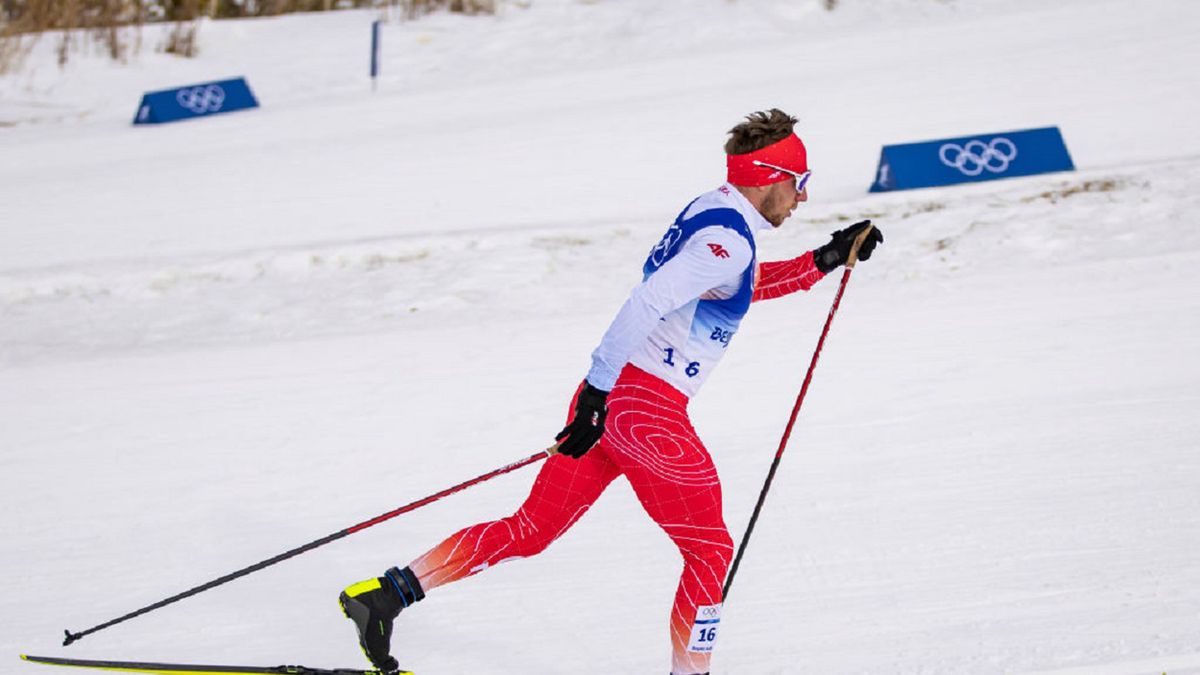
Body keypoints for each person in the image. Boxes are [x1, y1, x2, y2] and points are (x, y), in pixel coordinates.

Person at [338, 108, 883, 675]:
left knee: (531, 529)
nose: (802, 199)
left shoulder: (715, 211)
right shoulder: (730, 239)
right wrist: (600, 394)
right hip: (643, 409)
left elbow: (728, 289)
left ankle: (385, 597)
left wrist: (820, 261)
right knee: (711, 550)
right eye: (799, 184)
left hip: (614, 400)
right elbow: (646, 302)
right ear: (769, 176)